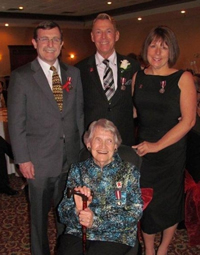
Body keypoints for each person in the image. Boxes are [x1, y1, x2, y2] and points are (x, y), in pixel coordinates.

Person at [7, 20, 84, 255]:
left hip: (69, 159)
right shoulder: (21, 77)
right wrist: (23, 159)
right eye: (44, 39)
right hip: (38, 163)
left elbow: (78, 115)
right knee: (39, 219)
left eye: (55, 39)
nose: (50, 44)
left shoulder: (74, 73)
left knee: (68, 216)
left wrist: (80, 153)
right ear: (34, 43)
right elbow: (16, 122)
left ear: (61, 43)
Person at [132, 26, 196, 255]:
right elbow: (133, 113)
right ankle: (149, 249)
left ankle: (163, 248)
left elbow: (188, 121)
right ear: (146, 48)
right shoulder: (137, 76)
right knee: (147, 204)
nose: (157, 51)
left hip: (171, 152)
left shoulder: (183, 78)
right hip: (144, 151)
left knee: (169, 203)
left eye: (164, 46)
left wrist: (157, 146)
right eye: (153, 45)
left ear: (172, 51)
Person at [57, 119, 143, 255]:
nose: (103, 146)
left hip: (116, 236)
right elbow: (62, 212)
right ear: (89, 144)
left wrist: (96, 221)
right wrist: (78, 211)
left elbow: (134, 213)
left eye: (109, 141)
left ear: (116, 146)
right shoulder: (77, 170)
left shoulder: (128, 172)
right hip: (78, 232)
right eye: (97, 139)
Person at [75, 13, 141, 146]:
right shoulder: (79, 70)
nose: (103, 37)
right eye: (98, 32)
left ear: (117, 35)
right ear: (92, 37)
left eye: (108, 31)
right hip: (94, 145)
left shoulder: (133, 66)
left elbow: (144, 100)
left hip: (124, 142)